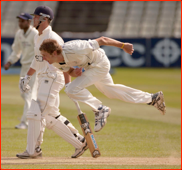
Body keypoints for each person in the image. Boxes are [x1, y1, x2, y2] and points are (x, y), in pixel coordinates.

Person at [38, 37, 166, 132]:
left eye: (45, 55)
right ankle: (152, 98)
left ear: (54, 53)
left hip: (100, 63)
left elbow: (102, 40)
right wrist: (74, 72)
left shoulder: (75, 48)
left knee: (71, 89)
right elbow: (70, 71)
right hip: (90, 68)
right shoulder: (54, 62)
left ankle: (100, 109)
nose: (43, 58)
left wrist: (123, 46)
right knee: (110, 91)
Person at [16, 6, 88, 159]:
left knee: (36, 113)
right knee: (51, 116)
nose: (33, 19)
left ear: (44, 19)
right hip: (43, 78)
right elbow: (37, 61)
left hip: (52, 77)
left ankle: (33, 150)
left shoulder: (54, 38)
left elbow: (64, 62)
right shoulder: (37, 37)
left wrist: (69, 85)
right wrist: (27, 77)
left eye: (36, 17)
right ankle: (80, 141)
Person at [4, 13, 38, 129]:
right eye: (19, 21)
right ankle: (35, 116)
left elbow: (39, 52)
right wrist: (10, 61)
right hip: (24, 67)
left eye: (22, 21)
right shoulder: (19, 33)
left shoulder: (35, 34)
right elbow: (16, 50)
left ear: (29, 22)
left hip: (34, 67)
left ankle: (26, 122)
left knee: (28, 94)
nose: (20, 23)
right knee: (24, 93)